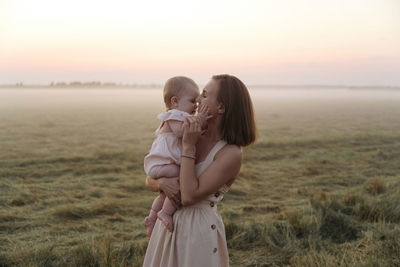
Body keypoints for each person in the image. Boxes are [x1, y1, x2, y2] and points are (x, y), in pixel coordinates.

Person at [143, 74, 256, 267]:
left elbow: (188, 196)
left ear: (221, 107)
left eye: (204, 95)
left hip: (198, 232)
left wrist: (188, 146)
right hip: (167, 226)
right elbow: (150, 178)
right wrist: (161, 183)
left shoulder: (230, 153)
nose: (197, 101)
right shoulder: (190, 132)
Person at [144, 76, 208, 238]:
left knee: (164, 193)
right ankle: (165, 213)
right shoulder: (174, 114)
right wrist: (199, 120)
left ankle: (152, 217)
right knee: (181, 178)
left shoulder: (181, 114)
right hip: (161, 163)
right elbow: (181, 133)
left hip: (164, 163)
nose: (196, 105)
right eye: (193, 101)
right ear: (174, 101)